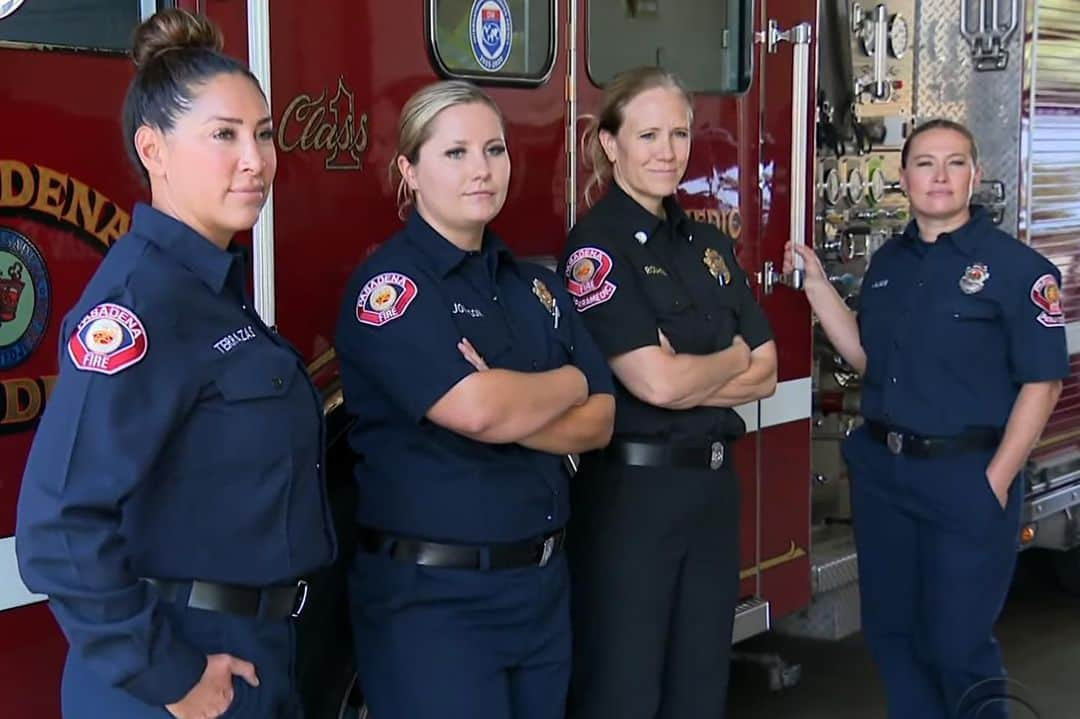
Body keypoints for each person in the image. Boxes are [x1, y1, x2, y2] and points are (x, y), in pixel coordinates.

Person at [15, 9, 336, 718]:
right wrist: (169, 676)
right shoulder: (138, 307)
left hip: (257, 648)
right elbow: (58, 529)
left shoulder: (213, 290)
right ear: (153, 149)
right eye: (223, 135)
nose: (255, 159)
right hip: (183, 670)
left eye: (263, 134)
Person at [334, 79, 615, 719]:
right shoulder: (392, 287)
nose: (482, 170)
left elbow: (600, 418)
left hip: (540, 589)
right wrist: (565, 382)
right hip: (436, 604)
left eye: (494, 150)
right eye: (455, 153)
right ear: (409, 170)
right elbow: (478, 410)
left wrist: (528, 401)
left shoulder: (532, 285)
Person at [785, 118, 1067, 719]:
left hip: (965, 479)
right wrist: (815, 286)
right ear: (903, 176)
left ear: (976, 175)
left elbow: (1041, 386)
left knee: (957, 644)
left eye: (955, 162)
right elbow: (868, 357)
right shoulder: (889, 262)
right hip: (886, 479)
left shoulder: (1020, 271)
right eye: (924, 163)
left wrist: (995, 481)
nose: (939, 176)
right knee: (892, 636)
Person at [558, 66, 778, 719]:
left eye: (678, 133)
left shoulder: (708, 243)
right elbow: (653, 381)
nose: (667, 151)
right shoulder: (595, 249)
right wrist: (728, 354)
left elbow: (765, 368)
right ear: (609, 144)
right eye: (648, 134)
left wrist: (697, 369)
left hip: (711, 493)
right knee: (623, 688)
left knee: (699, 685)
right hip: (633, 500)